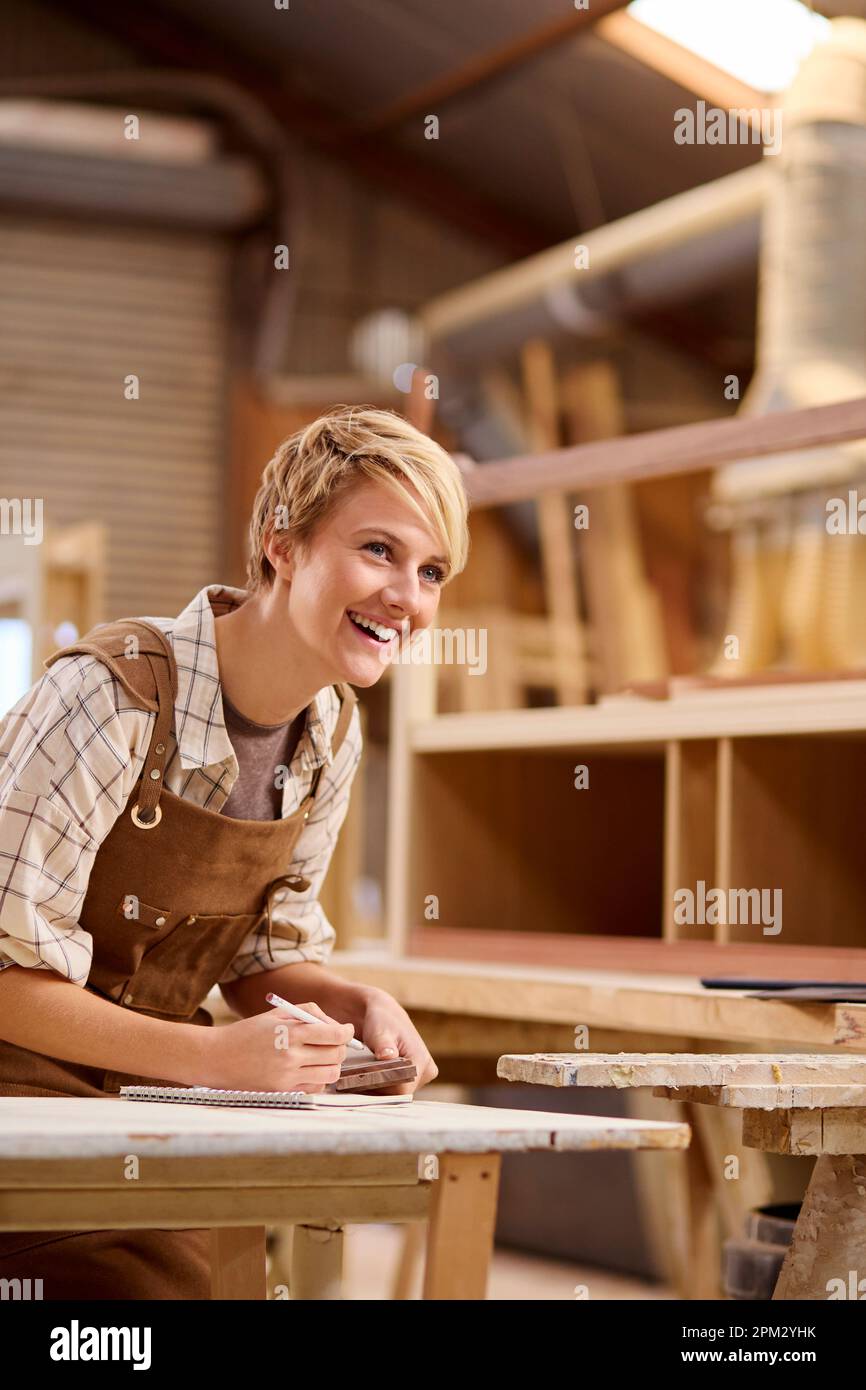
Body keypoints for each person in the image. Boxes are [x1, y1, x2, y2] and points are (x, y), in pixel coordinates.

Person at [0, 404, 470, 1298]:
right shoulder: (111, 699)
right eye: (378, 550)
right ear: (280, 544)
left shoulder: (330, 731)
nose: (407, 597)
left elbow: (262, 958)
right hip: (21, 1116)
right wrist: (218, 1060)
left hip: (154, 1108)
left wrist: (352, 1005)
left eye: (432, 570)